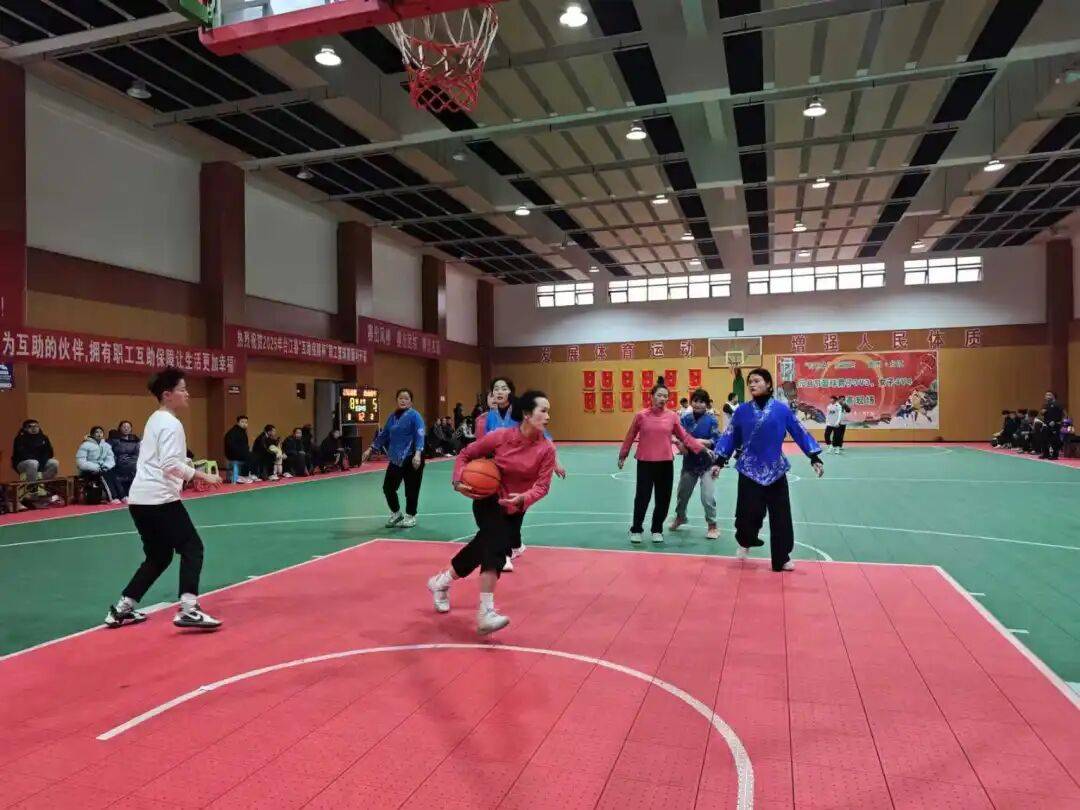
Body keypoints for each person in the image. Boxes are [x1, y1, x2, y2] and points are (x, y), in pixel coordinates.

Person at [426, 390, 556, 636]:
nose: (548, 416)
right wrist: (458, 480)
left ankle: (441, 582)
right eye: (543, 410)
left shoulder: (547, 449)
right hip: (489, 499)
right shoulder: (501, 437)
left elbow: (542, 487)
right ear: (527, 414)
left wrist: (523, 499)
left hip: (515, 507)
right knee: (495, 547)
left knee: (483, 546)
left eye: (549, 411)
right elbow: (466, 454)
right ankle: (486, 612)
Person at [104, 367, 223, 630]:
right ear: (167, 394)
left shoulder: (154, 420)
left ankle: (123, 607)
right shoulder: (171, 423)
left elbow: (162, 459)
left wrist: (186, 465)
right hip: (160, 499)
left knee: (159, 556)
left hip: (139, 500)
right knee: (192, 547)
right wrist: (202, 475)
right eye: (182, 389)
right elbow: (169, 463)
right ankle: (189, 609)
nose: (187, 394)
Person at [713, 368, 824, 572]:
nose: (752, 384)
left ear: (769, 384)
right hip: (749, 470)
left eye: (756, 381)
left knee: (781, 517)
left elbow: (799, 431)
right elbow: (730, 436)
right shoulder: (742, 411)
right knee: (747, 515)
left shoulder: (782, 410)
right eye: (750, 382)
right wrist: (719, 461)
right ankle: (746, 540)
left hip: (776, 470)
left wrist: (814, 457)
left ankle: (782, 557)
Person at [474, 376, 566, 568]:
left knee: (514, 513)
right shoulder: (488, 417)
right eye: (496, 389)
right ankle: (505, 551)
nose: (499, 392)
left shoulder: (519, 412)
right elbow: (482, 443)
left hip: (519, 470)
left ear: (510, 392)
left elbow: (542, 435)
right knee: (495, 510)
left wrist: (555, 462)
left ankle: (510, 546)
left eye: (503, 388)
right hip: (496, 469)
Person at [618, 383, 706, 544]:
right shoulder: (641, 416)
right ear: (651, 397)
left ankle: (657, 529)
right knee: (642, 497)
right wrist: (623, 454)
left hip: (665, 463)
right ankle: (636, 529)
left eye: (665, 396)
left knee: (663, 499)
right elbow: (630, 435)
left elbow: (684, 436)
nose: (662, 399)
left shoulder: (672, 416)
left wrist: (701, 449)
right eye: (659, 395)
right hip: (645, 463)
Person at [362, 388, 426, 528]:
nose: (403, 401)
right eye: (400, 398)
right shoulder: (392, 417)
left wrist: (417, 454)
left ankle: (410, 516)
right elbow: (384, 435)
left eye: (406, 398)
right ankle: (396, 514)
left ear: (411, 402)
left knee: (411, 489)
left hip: (412, 458)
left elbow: (420, 435)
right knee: (388, 488)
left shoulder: (415, 416)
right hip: (396, 459)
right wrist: (370, 449)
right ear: (397, 400)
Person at [669, 388, 722, 540]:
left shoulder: (712, 420)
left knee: (707, 497)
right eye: (695, 401)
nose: (698, 404)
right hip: (689, 464)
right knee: (682, 494)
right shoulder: (685, 419)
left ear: (707, 404)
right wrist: (679, 443)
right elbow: (679, 436)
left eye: (701, 402)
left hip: (707, 464)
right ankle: (680, 517)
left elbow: (716, 440)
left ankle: (712, 525)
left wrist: (701, 442)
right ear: (691, 402)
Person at [76, 426, 123, 504]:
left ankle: (122, 496)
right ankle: (112, 497)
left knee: (112, 473)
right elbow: (81, 462)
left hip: (102, 468)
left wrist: (106, 466)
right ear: (92, 434)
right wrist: (96, 467)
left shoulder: (106, 446)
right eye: (97, 432)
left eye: (101, 432)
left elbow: (110, 459)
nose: (99, 434)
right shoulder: (85, 445)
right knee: (103, 474)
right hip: (88, 470)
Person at [11, 419, 60, 487]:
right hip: (23, 463)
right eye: (30, 426)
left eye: (36, 426)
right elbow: (22, 455)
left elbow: (49, 452)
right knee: (33, 463)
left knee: (54, 462)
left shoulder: (44, 438)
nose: (34, 428)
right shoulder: (20, 439)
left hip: (41, 462)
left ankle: (44, 483)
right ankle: (32, 486)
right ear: (25, 429)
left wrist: (42, 461)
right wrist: (38, 461)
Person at [108, 420, 140, 500]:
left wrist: (131, 461)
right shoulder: (114, 440)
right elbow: (109, 453)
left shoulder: (135, 440)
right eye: (124, 427)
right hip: (118, 463)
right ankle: (122, 495)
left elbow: (137, 454)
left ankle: (136, 494)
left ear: (131, 429)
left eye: (128, 427)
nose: (126, 428)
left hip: (132, 463)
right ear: (119, 428)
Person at [224, 415, 255, 483]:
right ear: (238, 423)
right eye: (242, 422)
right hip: (232, 453)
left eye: (246, 422)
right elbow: (231, 445)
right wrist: (244, 452)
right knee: (249, 456)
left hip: (239, 452)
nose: (244, 424)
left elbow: (244, 445)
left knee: (253, 455)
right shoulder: (233, 432)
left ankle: (249, 474)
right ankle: (242, 476)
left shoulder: (242, 432)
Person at [1040, 391, 1064, 460]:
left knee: (1054, 441)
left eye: (1049, 395)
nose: (1047, 396)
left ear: (1053, 396)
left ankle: (1055, 455)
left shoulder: (1058, 404)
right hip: (1046, 424)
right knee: (1044, 439)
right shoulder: (1045, 405)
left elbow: (1061, 414)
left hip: (1054, 424)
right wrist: (1042, 412)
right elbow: (1042, 413)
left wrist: (1055, 421)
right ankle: (1045, 454)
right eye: (1046, 395)